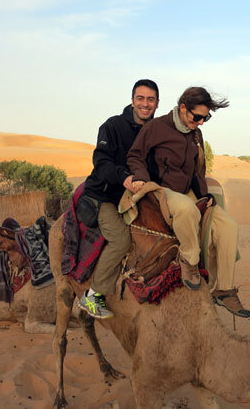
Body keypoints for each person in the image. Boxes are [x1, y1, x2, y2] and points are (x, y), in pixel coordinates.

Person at [127, 86, 250, 318]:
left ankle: (223, 289)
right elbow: (135, 155)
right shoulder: (156, 127)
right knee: (186, 210)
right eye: (198, 117)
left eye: (206, 117)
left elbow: (198, 170)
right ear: (183, 109)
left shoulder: (195, 133)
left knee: (228, 226)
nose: (202, 122)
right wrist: (141, 177)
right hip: (162, 191)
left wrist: (205, 196)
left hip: (187, 191)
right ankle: (190, 260)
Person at [77, 79, 159, 319]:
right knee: (121, 240)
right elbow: (101, 164)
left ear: (157, 103)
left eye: (150, 99)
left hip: (135, 198)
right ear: (132, 100)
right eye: (141, 98)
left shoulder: (156, 131)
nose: (145, 104)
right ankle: (92, 296)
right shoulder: (112, 126)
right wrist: (124, 177)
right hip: (104, 197)